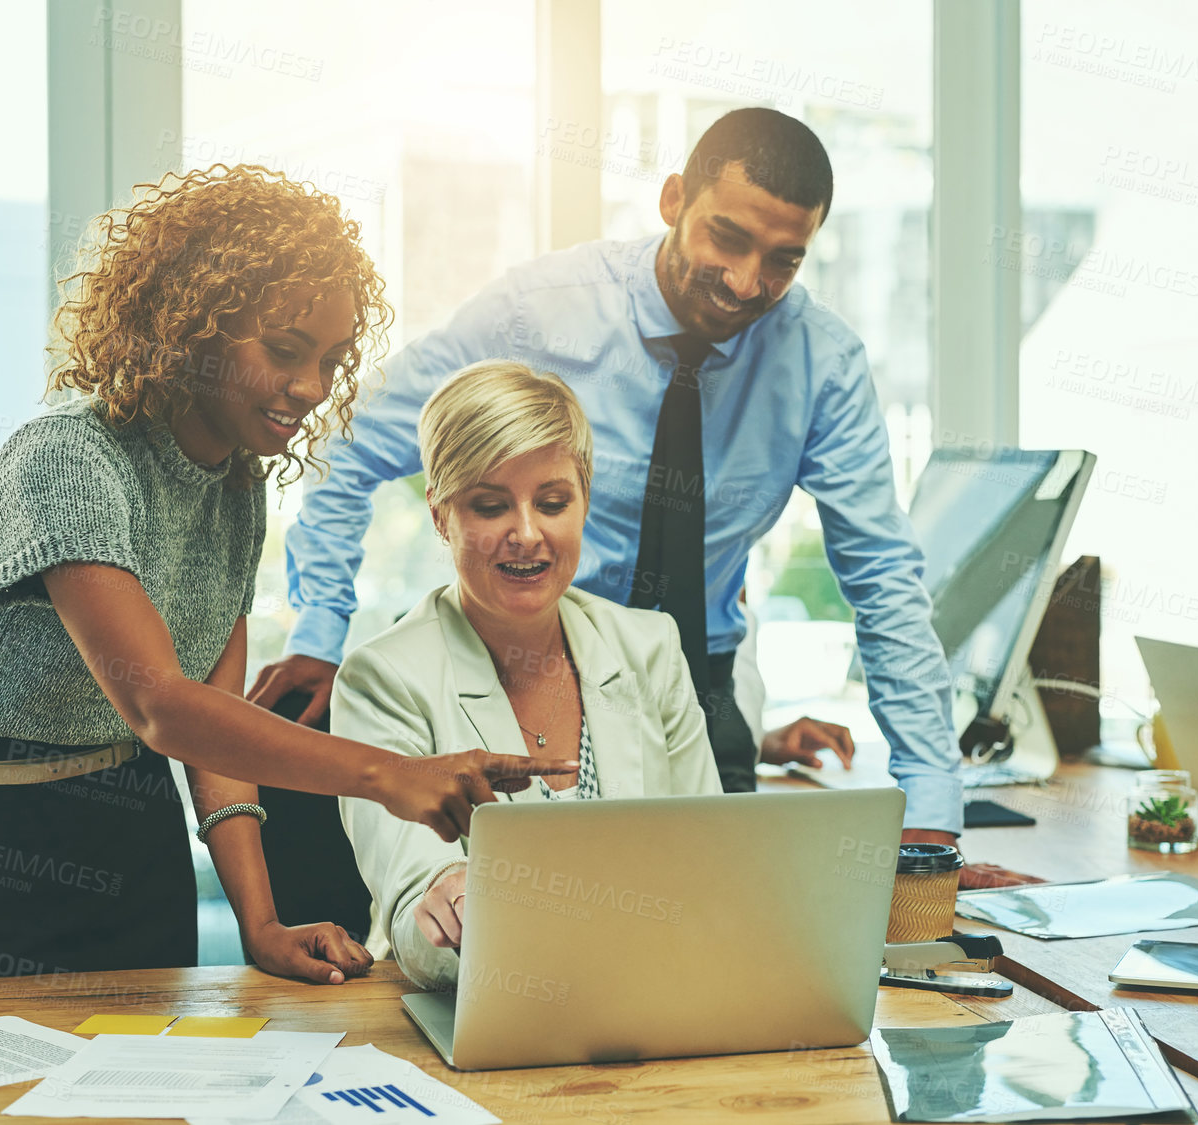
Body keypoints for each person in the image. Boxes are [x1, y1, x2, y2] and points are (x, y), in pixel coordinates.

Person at [0, 167, 573, 984]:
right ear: (190, 325)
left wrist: (261, 923)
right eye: (286, 352)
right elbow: (160, 703)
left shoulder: (234, 486)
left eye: (329, 360)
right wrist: (389, 773)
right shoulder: (66, 459)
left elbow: (213, 722)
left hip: (138, 835)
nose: (311, 389)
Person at [259, 107, 967, 847]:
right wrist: (319, 635)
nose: (747, 282)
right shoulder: (541, 311)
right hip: (519, 678)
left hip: (701, 684)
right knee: (509, 922)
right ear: (672, 202)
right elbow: (350, 445)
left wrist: (931, 807)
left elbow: (883, 578)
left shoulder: (821, 364)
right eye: (726, 238)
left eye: (784, 260)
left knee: (716, 926)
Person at [334, 361, 721, 989]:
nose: (526, 534)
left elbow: (711, 858)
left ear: (583, 503)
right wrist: (447, 899)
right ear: (441, 516)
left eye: (552, 502)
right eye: (489, 506)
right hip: (480, 1003)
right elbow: (413, 905)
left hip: (653, 992)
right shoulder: (382, 678)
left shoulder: (650, 646)